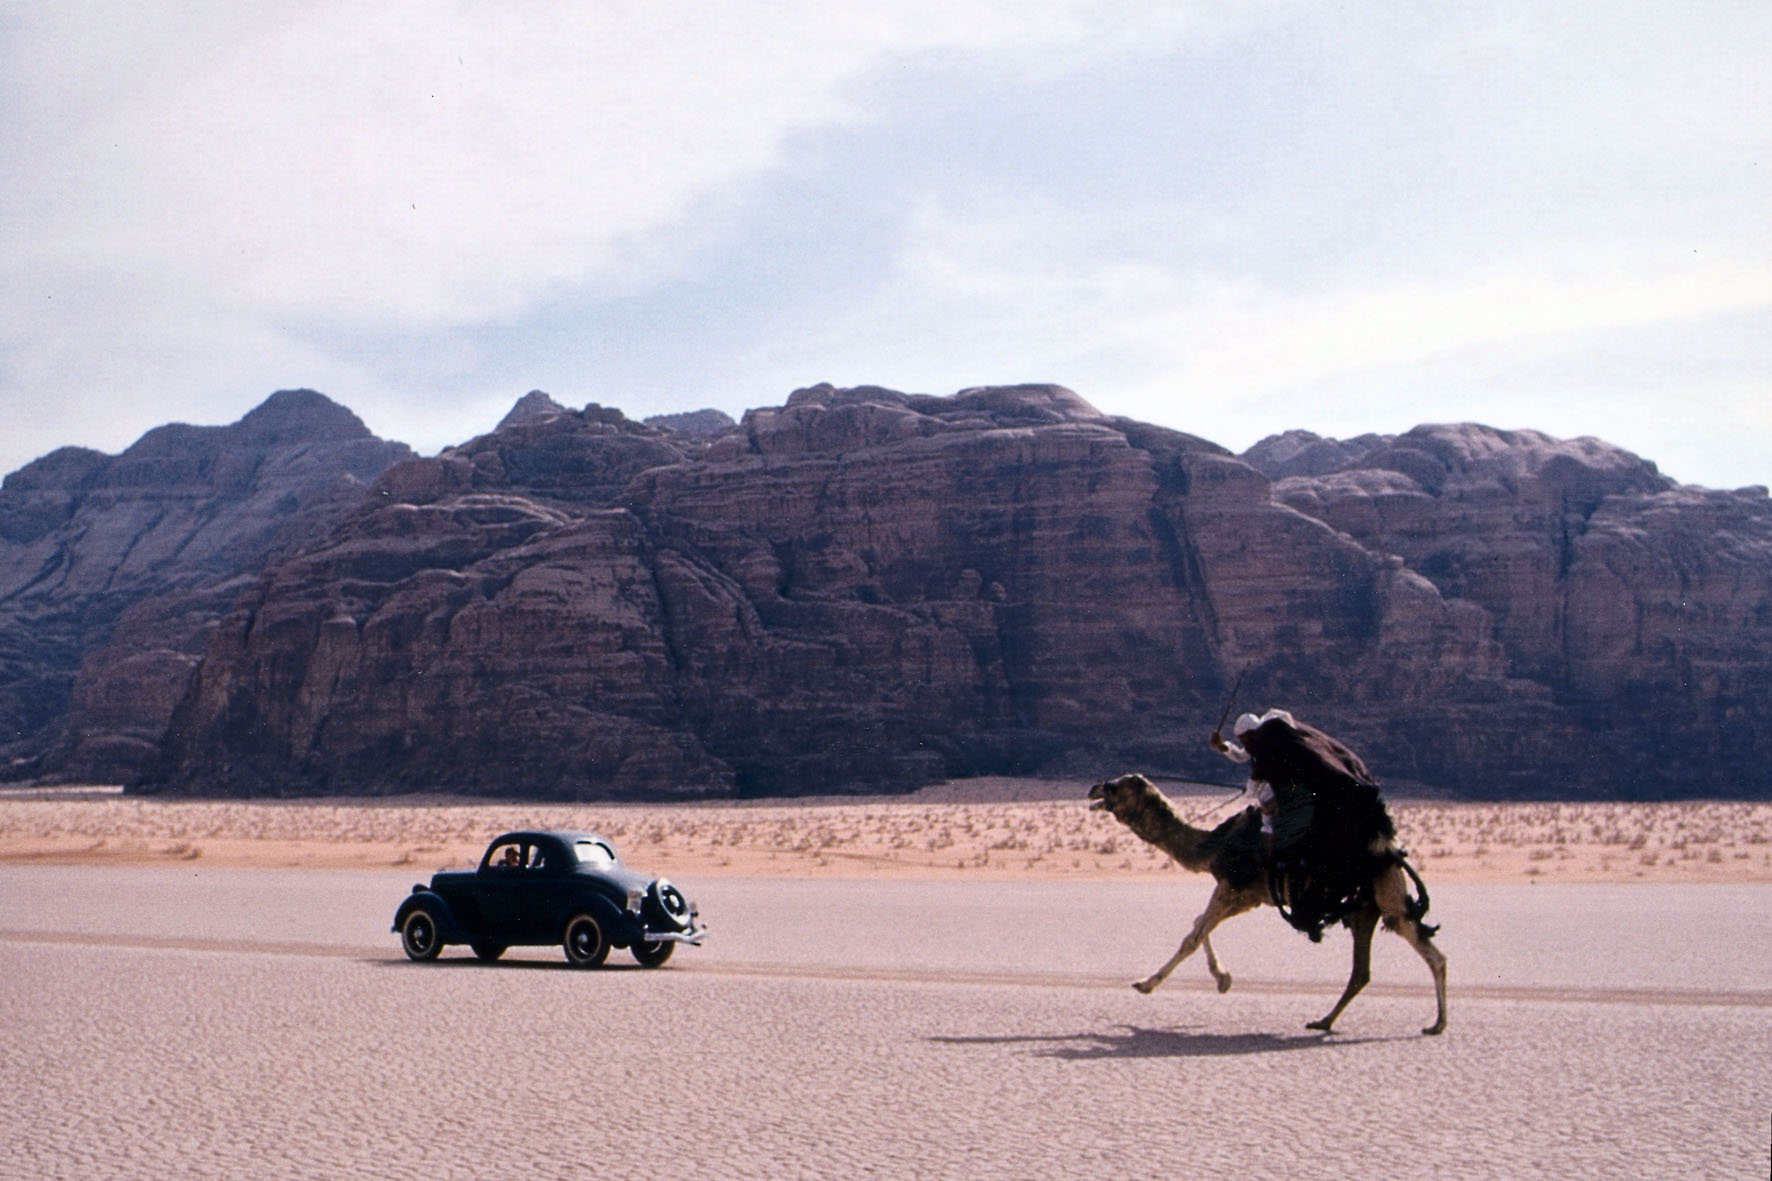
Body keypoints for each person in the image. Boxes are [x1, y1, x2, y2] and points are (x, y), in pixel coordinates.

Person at [1210, 708, 1395, 940]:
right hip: (1295, 788)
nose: (1244, 744)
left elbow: (1255, 780)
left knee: (1270, 824)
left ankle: (1274, 868)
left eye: (1243, 739)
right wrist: (1223, 747)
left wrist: (1247, 791)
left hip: (1296, 792)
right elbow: (1244, 756)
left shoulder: (1266, 744)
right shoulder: (1267, 738)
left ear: (1249, 734)